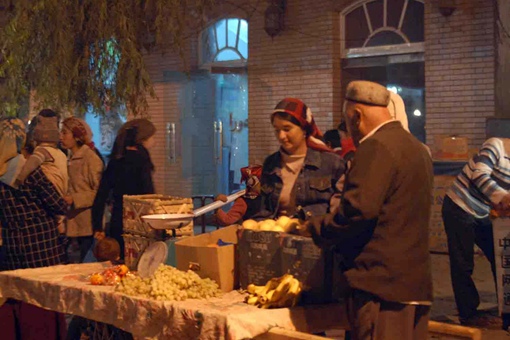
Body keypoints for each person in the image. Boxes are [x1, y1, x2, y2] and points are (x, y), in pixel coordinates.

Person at [303, 81, 434, 340]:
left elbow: (356, 214)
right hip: (414, 288)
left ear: (356, 115)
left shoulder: (375, 147)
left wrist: (314, 227)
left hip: (380, 289)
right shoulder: (417, 148)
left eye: (347, 121)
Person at [0, 117, 68, 339]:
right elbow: (56, 204)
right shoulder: (30, 171)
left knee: (21, 302)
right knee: (43, 306)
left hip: (13, 248)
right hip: (41, 248)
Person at [442, 138, 510, 327]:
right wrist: (503, 197)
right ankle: (468, 313)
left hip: (482, 211)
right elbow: (479, 176)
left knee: (501, 258)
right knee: (463, 262)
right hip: (459, 205)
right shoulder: (496, 146)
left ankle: (506, 310)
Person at [257, 97, 346, 219]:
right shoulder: (271, 163)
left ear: (304, 129)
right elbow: (264, 210)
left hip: (314, 235)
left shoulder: (332, 163)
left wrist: (303, 218)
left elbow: (340, 210)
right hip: (276, 234)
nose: (281, 136)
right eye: (277, 130)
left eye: (287, 129)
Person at [92, 118, 157, 259]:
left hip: (118, 218)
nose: (154, 141)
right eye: (153, 137)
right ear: (143, 139)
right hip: (139, 222)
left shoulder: (116, 159)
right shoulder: (142, 159)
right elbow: (148, 194)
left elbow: (101, 194)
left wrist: (97, 225)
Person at [15, 114, 69, 236]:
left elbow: (31, 165)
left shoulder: (41, 151)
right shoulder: (61, 154)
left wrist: (19, 179)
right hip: (61, 193)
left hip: (50, 192)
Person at [60, 117, 104, 262]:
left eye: (65, 133)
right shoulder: (70, 158)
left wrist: (75, 198)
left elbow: (100, 192)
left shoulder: (90, 159)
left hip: (88, 222)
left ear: (76, 136)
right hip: (74, 220)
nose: (61, 137)